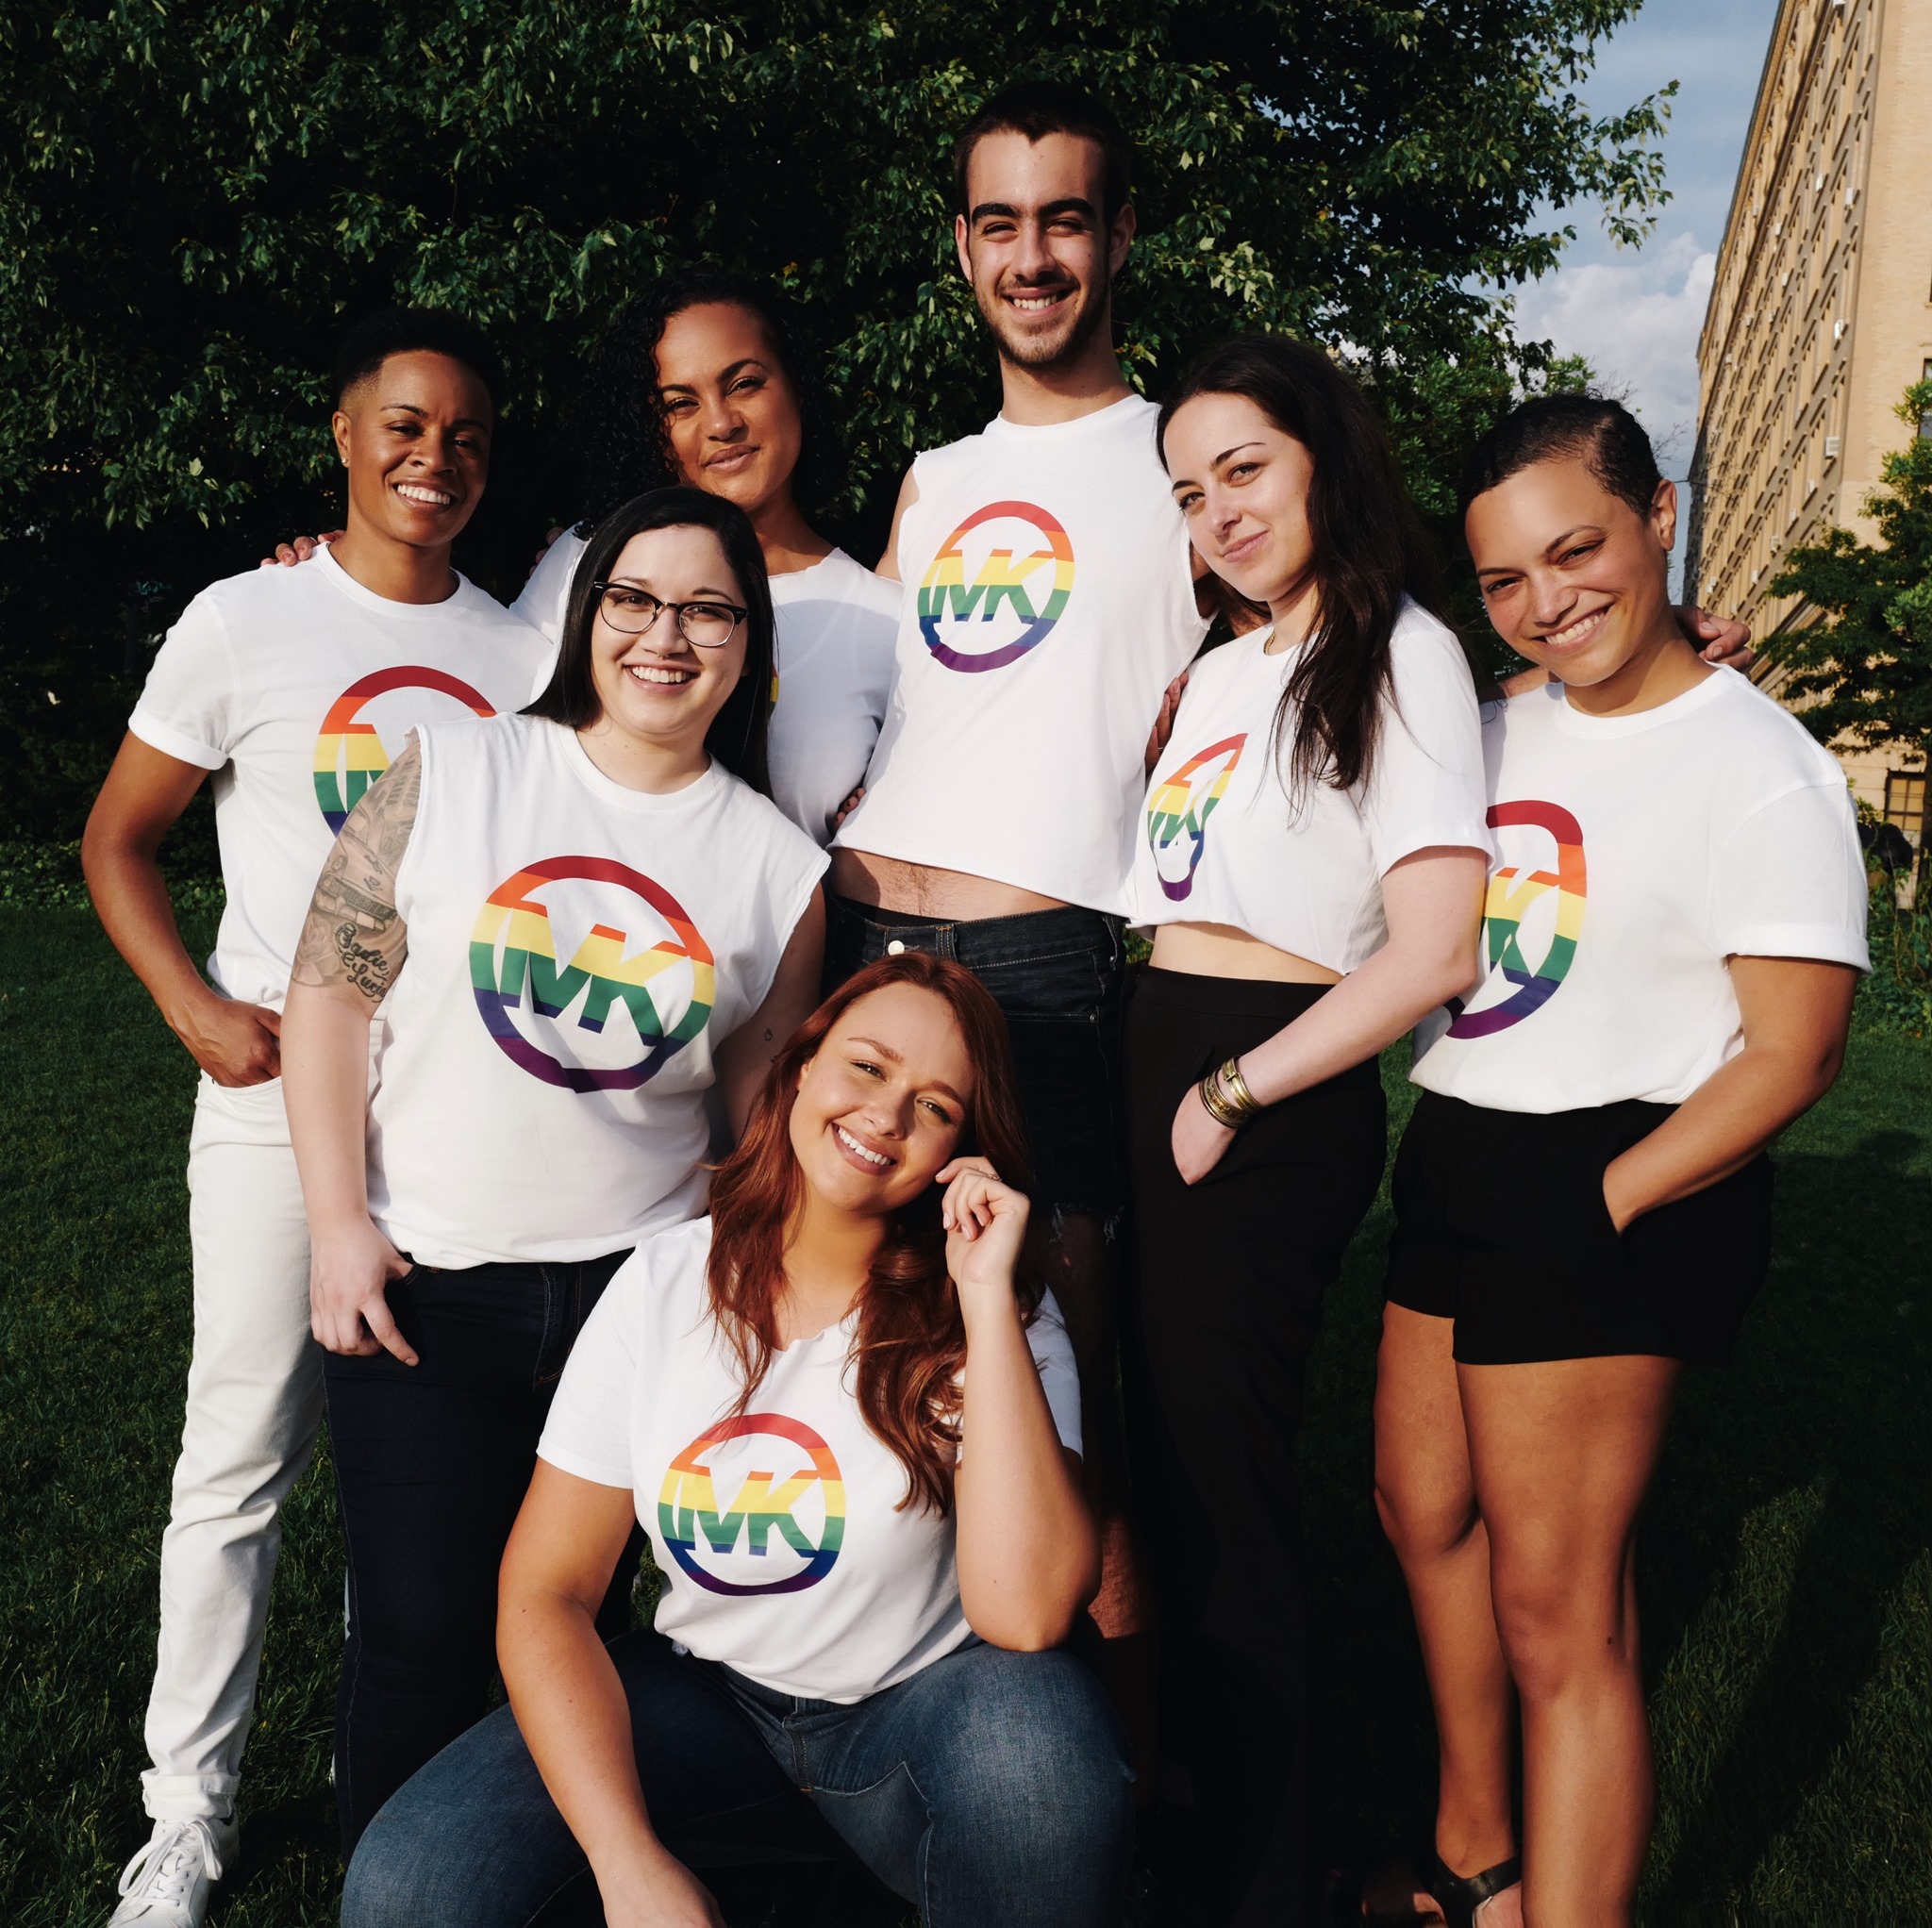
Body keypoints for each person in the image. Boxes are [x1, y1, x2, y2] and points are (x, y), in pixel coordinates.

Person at [337, 951, 1133, 1928]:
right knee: (406, 1887)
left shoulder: (997, 1308)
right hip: (703, 1700)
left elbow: (1027, 1615)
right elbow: (545, 1590)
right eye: (869, 1068)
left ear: (960, 1153)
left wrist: (979, 1301)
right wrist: (629, 1864)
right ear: (802, 1066)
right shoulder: (666, 1282)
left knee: (1040, 1761)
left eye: (935, 1108)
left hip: (917, 1716)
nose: (886, 1117)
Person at [1369, 396, 1867, 1927]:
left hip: (1615, 1161)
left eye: (1574, 548)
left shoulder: (1760, 764)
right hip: (1460, 1134)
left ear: (1658, 512)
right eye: (1505, 578)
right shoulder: (1499, 722)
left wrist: (1606, 1201)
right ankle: (1478, 1862)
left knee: (1556, 1610)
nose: (1545, 599)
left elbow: (1793, 1051)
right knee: (1417, 1504)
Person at [82, 308, 548, 1928]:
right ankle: (184, 1817)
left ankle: (412, 1786)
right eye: (406, 426)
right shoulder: (242, 620)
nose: (437, 458)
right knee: (238, 1457)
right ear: (343, 436)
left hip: (442, 1113)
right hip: (277, 1106)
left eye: (469, 435)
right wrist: (192, 1004)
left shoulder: (521, 647)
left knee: (423, 1477)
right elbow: (118, 839)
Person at [279, 486, 827, 1853]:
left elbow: (752, 1111)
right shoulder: (456, 768)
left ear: (749, 644)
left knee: (607, 1635)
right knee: (418, 1635)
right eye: (636, 600)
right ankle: (393, 1889)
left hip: (633, 1305)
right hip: (426, 1281)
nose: (666, 636)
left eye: (708, 608)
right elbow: (330, 999)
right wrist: (340, 1224)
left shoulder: (778, 867)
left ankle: (592, 1874)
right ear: (591, 617)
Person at [1124, 336, 1494, 1925]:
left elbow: (1435, 947)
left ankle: (1261, 1877)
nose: (1217, 509)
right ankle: (1183, 1824)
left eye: (1245, 470)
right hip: (1152, 1043)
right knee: (1152, 1475)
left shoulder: (1398, 648)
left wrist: (1231, 1090)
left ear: (1323, 457)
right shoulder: (1222, 662)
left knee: (1223, 1490)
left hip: (1259, 1079)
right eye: (1189, 489)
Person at [274, 271, 898, 846]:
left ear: (795, 385)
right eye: (680, 404)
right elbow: (469, 678)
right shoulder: (585, 560)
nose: (721, 422)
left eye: (745, 384)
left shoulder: (883, 623)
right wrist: (346, 573)